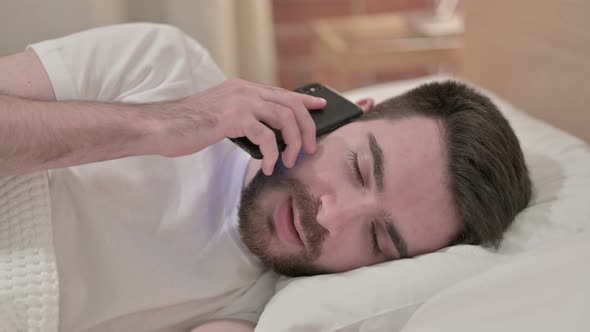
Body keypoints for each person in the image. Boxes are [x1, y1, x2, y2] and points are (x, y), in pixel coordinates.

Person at [0, 23, 531, 332]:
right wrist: (160, 123)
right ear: (342, 111)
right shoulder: (161, 65)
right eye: (356, 169)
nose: (332, 216)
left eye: (377, 239)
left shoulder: (258, 306)